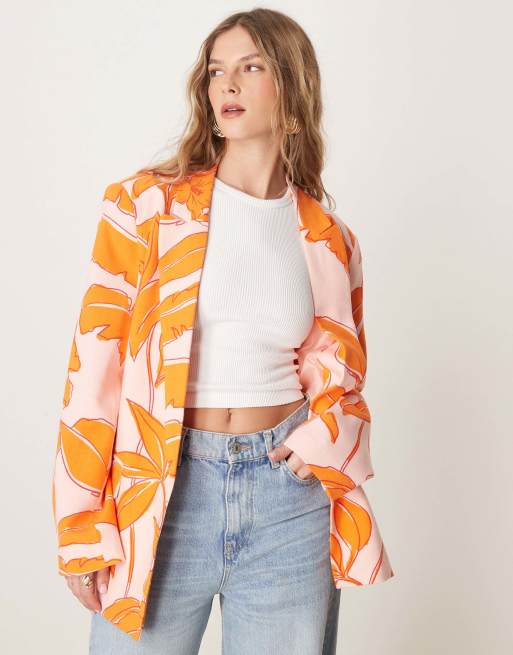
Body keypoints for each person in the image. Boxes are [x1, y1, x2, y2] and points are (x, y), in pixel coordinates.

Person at [52, 7, 394, 654]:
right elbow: (94, 368)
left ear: (292, 88)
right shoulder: (146, 207)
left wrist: (324, 435)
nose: (227, 84)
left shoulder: (328, 237)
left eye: (251, 67)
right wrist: (80, 523)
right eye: (216, 71)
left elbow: (342, 373)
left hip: (287, 499)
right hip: (162, 486)